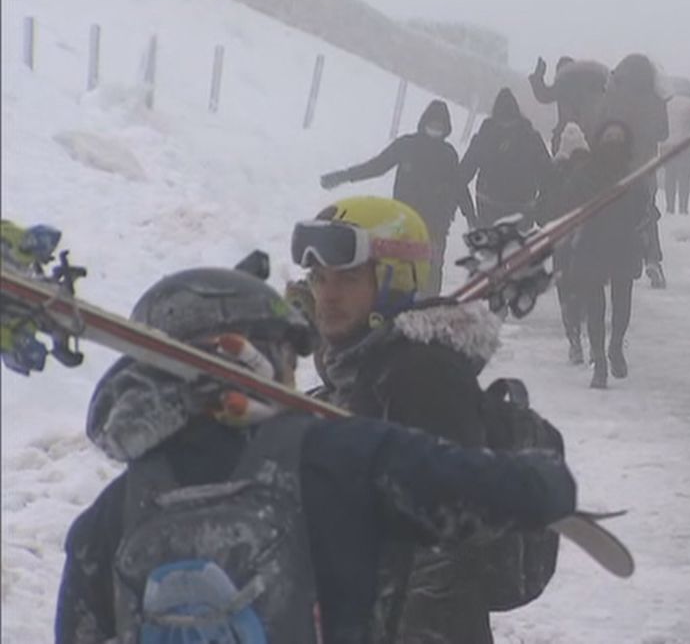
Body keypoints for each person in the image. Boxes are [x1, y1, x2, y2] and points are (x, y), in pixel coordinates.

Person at [54, 264, 575, 644]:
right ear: (259, 353)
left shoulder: (108, 517)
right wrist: (537, 463)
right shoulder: (338, 458)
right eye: (289, 351)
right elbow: (504, 496)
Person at [293, 195, 510, 643]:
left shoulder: (420, 373)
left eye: (348, 278)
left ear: (394, 279)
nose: (326, 295)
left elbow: (442, 544)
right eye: (318, 278)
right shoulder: (362, 366)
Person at [319, 99, 475, 294]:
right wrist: (344, 176)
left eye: (439, 126)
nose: (435, 129)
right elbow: (377, 166)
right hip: (403, 219)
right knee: (394, 266)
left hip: (435, 225)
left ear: (446, 129)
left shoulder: (448, 154)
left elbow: (459, 187)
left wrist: (470, 215)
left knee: (431, 272)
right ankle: (389, 306)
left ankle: (428, 310)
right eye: (432, 124)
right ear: (424, 122)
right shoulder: (406, 145)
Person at [562, 121, 653, 389]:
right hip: (592, 245)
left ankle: (615, 347)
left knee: (622, 301)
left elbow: (644, 208)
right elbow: (569, 205)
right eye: (609, 137)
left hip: (624, 244)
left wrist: (638, 231)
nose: (614, 141)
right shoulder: (584, 175)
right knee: (595, 307)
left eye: (619, 137)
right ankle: (600, 361)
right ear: (599, 140)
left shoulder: (634, 176)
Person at [593, 54, 669, 288]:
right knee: (646, 214)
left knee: (611, 214)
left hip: (613, 166)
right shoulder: (655, 98)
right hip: (644, 167)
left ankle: (606, 263)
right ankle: (652, 259)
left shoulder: (612, 94)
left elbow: (599, 125)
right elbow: (663, 133)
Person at [535, 123, 593, 365]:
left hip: (560, 238)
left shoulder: (552, 171)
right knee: (588, 287)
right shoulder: (594, 170)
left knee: (566, 288)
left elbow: (542, 207)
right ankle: (584, 334)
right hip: (589, 237)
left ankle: (574, 340)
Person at [460, 88, 553, 229]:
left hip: (492, 213)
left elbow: (461, 176)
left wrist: (470, 215)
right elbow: (548, 178)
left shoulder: (486, 136)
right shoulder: (530, 138)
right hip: (519, 214)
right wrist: (539, 212)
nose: (506, 127)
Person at [529, 57, 609, 153]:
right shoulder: (593, 81)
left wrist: (538, 77)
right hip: (592, 131)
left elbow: (544, 96)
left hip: (566, 131)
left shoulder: (564, 82)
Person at [661, 77, 690, 215]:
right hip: (686, 146)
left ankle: (670, 207)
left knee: (669, 177)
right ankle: (683, 207)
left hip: (667, 145)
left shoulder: (666, 103)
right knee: (684, 178)